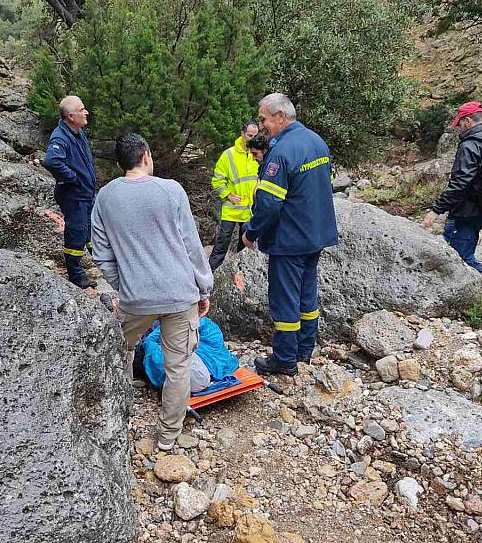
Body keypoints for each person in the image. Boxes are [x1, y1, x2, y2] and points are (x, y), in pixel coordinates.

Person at [91, 132, 213, 451]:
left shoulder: (105, 197)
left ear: (120, 164)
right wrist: (204, 289)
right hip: (180, 294)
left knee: (119, 350)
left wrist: (123, 284)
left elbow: (101, 253)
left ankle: (113, 418)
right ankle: (167, 437)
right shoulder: (171, 190)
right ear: (146, 156)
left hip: (136, 298)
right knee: (178, 366)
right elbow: (191, 246)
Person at [242, 93, 338, 376]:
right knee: (307, 296)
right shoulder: (316, 141)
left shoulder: (281, 151)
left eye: (263, 119)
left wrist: (252, 232)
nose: (261, 127)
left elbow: (270, 203)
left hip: (289, 239)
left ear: (280, 116)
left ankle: (284, 359)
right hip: (315, 235)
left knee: (285, 300)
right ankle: (304, 349)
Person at [422, 101, 482, 273]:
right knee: (457, 236)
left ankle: (474, 286)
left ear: (468, 121)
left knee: (460, 257)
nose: (458, 127)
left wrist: (435, 210)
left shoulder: (470, 145)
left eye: (459, 123)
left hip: (468, 209)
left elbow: (460, 183)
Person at [44, 95, 97, 289]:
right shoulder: (60, 136)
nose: (86, 112)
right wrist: (72, 178)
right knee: (76, 233)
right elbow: (51, 161)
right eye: (82, 109)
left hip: (85, 194)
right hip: (74, 195)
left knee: (89, 230)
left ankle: (99, 262)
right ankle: (76, 276)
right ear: (71, 116)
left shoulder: (77, 132)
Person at [209, 121, 260, 271]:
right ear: (242, 134)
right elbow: (217, 180)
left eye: (256, 136)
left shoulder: (257, 154)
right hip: (231, 209)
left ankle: (238, 276)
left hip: (249, 210)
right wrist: (228, 196)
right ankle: (209, 276)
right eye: (250, 135)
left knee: (245, 247)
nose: (253, 138)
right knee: (221, 246)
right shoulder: (229, 155)